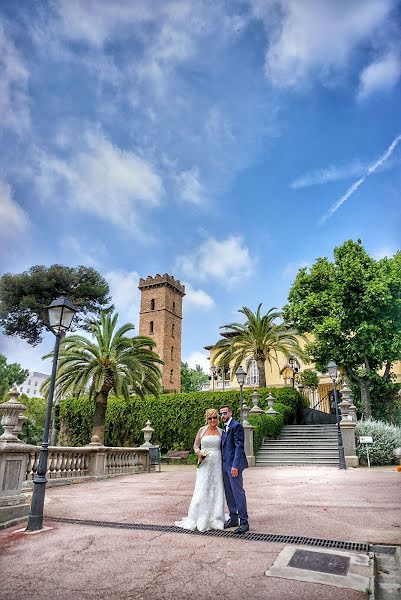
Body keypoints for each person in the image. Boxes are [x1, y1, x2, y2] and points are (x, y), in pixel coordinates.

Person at [175, 408, 225, 532]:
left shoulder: (222, 432)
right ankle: (199, 516)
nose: (212, 420)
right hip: (204, 462)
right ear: (206, 419)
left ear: (217, 419)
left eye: (214, 417)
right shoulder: (202, 431)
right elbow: (196, 445)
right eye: (210, 418)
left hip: (217, 462)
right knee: (202, 487)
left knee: (217, 487)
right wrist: (199, 453)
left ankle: (216, 517)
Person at [219, 404, 249, 534]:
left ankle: (244, 522)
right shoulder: (225, 428)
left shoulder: (236, 426)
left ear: (230, 413)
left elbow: (239, 447)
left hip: (233, 466)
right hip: (224, 465)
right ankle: (233, 518)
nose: (222, 416)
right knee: (229, 493)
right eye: (221, 414)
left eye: (224, 413)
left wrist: (235, 466)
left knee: (238, 493)